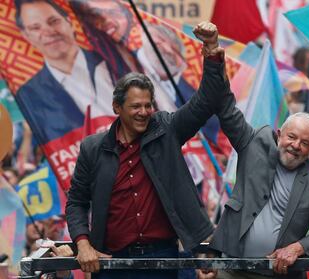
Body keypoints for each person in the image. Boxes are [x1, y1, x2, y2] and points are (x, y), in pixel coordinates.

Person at [65, 21, 225, 278]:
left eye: (148, 105)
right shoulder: (93, 148)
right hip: (112, 264)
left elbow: (205, 101)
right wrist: (83, 244)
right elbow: (76, 202)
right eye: (135, 106)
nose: (143, 112)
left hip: (164, 260)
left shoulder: (166, 130)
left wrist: (212, 50)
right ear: (117, 107)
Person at [206, 111, 309, 278]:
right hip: (231, 269)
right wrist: (218, 84)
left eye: (304, 142)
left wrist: (296, 248)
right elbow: (228, 114)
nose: (296, 145)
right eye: (291, 136)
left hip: (279, 274)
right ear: (279, 135)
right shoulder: (253, 149)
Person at [69, 0, 221, 143]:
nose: (105, 22)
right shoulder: (100, 70)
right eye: (95, 18)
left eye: (112, 13)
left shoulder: (151, 49)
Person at [14, 0, 119, 143]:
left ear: (69, 22)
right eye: (35, 28)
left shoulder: (112, 61)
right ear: (26, 36)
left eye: (54, 21)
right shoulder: (29, 94)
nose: (48, 32)